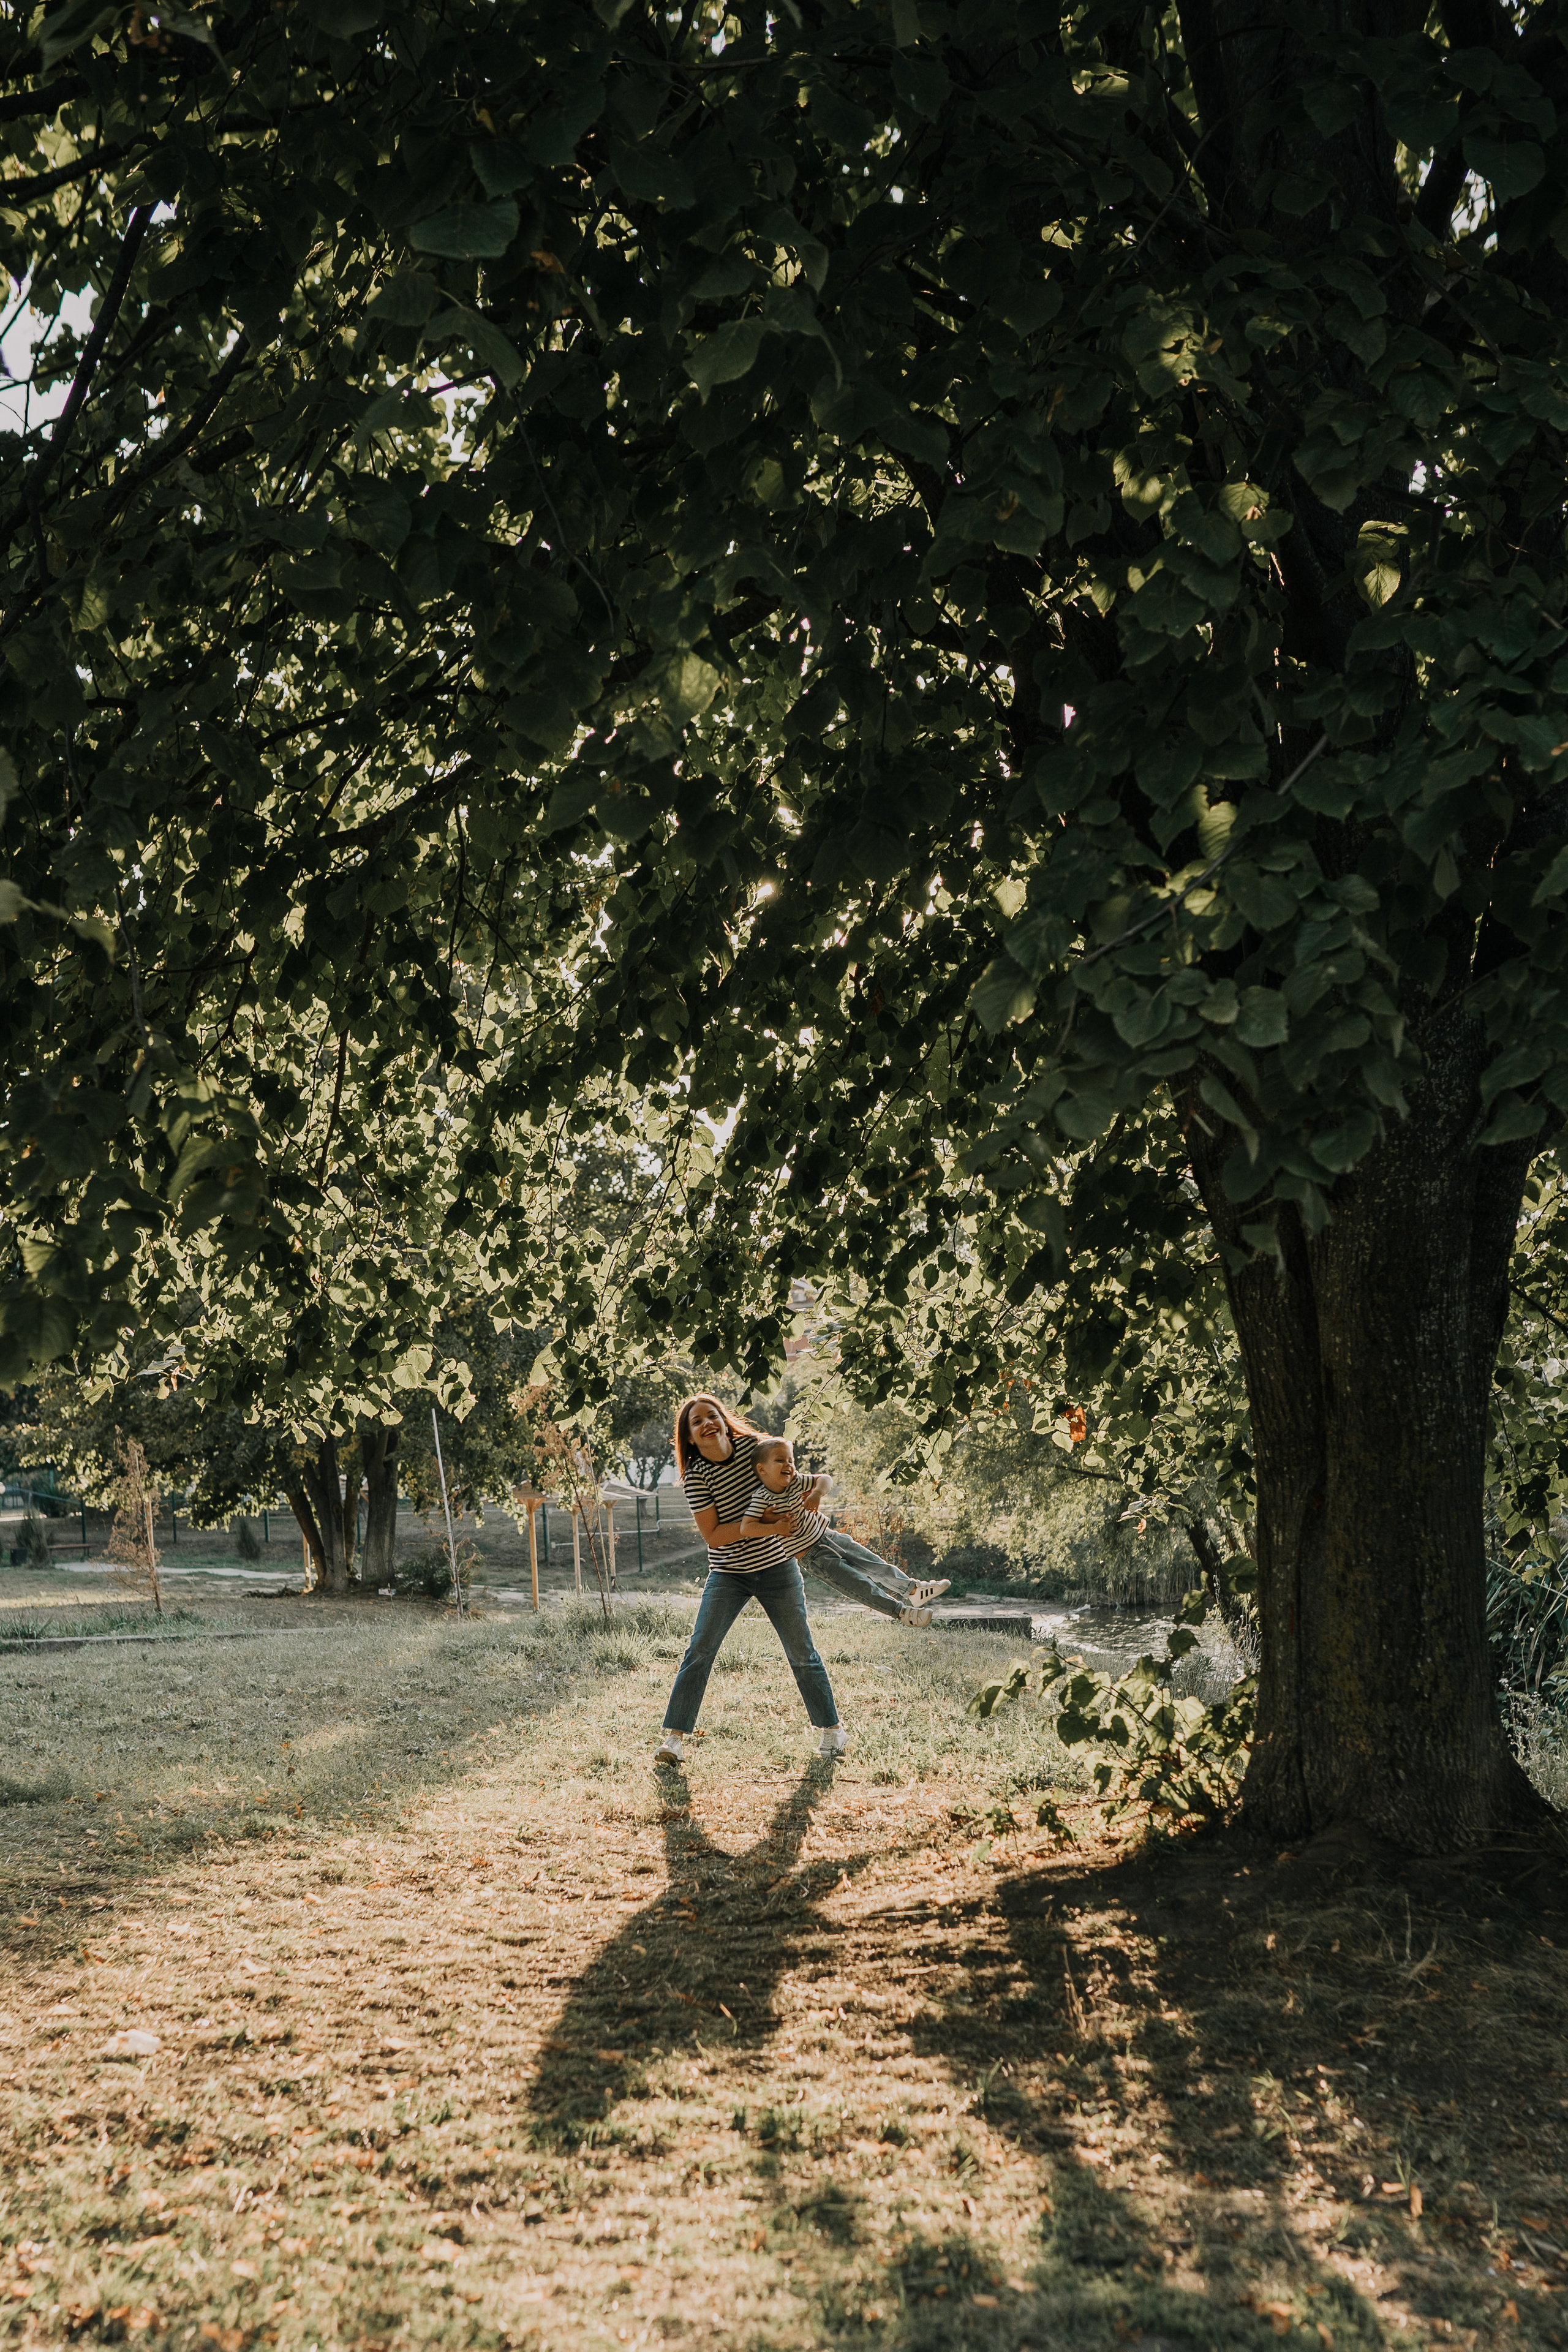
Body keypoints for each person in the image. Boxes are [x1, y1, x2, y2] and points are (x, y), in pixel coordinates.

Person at [656, 1394, 846, 1766]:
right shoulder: (696, 1476)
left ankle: (832, 1731)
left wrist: (812, 1498)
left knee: (801, 1653)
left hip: (778, 1567)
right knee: (700, 1650)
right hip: (728, 1574)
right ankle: (674, 1740)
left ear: (725, 1421)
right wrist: (767, 1526)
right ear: (691, 1437)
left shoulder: (754, 1450)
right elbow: (713, 1536)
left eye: (712, 1416)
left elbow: (794, 1480)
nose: (707, 1424)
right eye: (697, 1422)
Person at [740, 1436, 950, 1626]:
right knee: (858, 1585)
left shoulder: (796, 1481)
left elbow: (825, 1478)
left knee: (874, 1563)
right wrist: (775, 1528)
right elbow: (747, 1527)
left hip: (829, 1536)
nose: (789, 1465)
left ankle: (914, 1590)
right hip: (813, 1557)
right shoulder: (762, 1498)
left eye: (791, 1460)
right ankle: (904, 1613)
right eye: (780, 1460)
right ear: (762, 1469)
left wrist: (817, 1493)